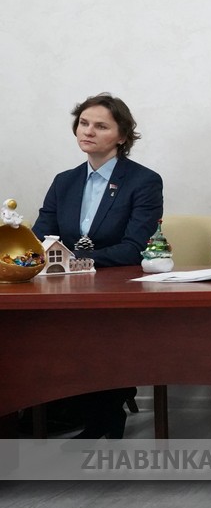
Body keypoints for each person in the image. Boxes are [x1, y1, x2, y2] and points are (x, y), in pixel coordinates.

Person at [32, 93, 164, 440]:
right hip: (65, 288)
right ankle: (64, 411)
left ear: (122, 136)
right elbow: (40, 237)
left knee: (97, 333)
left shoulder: (143, 181)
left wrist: (75, 260)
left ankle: (104, 414)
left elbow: (135, 248)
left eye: (101, 126)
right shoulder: (64, 181)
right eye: (84, 123)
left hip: (118, 288)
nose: (88, 131)